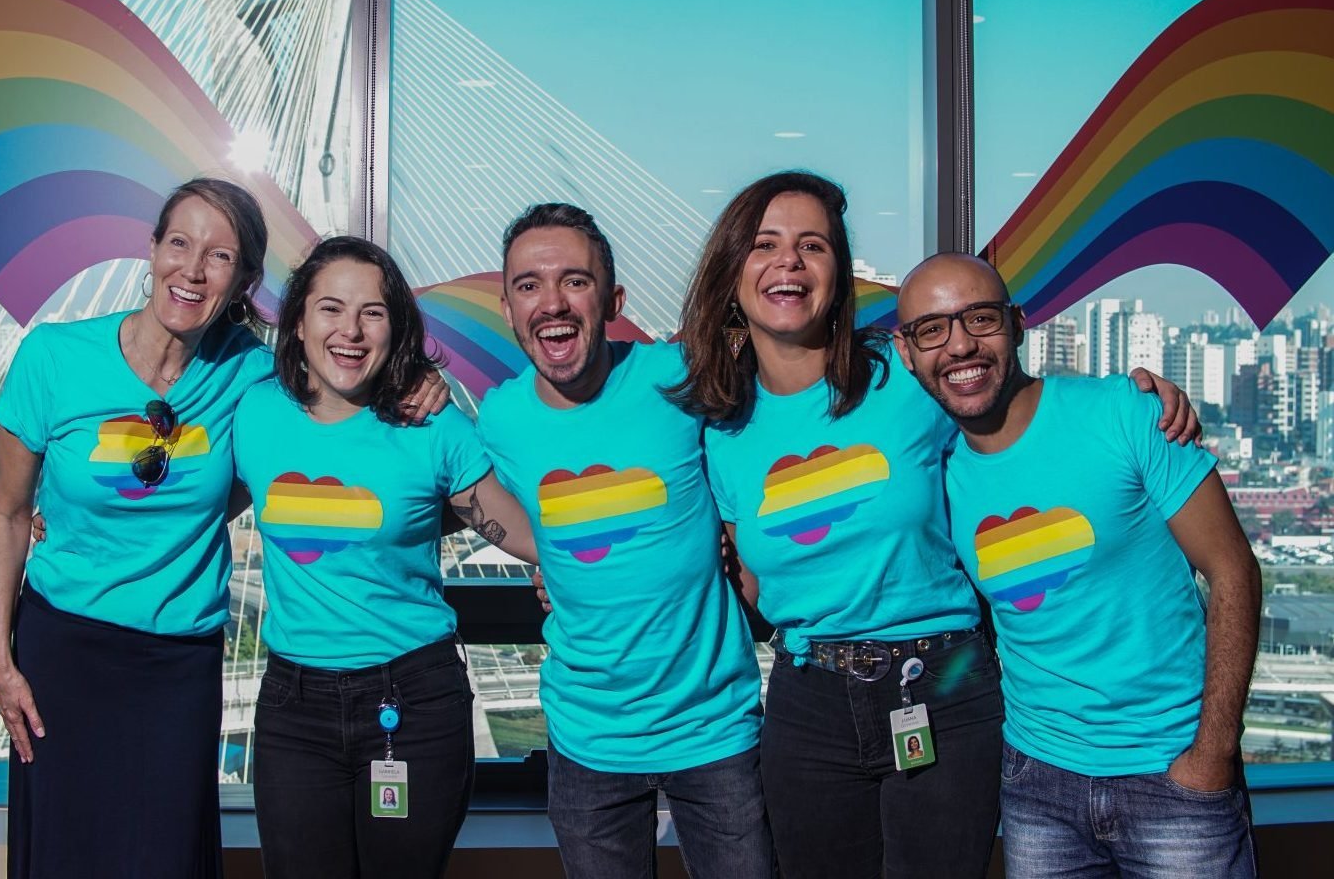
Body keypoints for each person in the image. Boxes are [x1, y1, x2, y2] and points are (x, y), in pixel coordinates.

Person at [670, 171, 1198, 879]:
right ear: (730, 270)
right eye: (764, 244)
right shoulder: (720, 425)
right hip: (808, 704)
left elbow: (1017, 411)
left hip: (943, 686)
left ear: (840, 272)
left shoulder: (907, 376)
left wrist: (1141, 396)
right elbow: (749, 576)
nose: (789, 262)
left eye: (812, 245)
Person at [893, 252, 1260, 878]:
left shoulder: (1126, 412)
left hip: (1173, 775)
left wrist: (1212, 756)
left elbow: (1234, 574)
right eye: (933, 329)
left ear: (1017, 323)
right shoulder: (936, 472)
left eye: (979, 319)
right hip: (1037, 785)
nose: (959, 345)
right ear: (907, 352)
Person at [0, 178, 274, 878]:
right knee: (65, 854)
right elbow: (9, 513)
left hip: (178, 666)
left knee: (166, 857)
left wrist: (417, 384)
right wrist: (0, 659)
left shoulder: (253, 376)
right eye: (179, 243)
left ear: (244, 281)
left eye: (220, 256)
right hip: (64, 655)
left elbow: (327, 420)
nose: (192, 269)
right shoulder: (54, 359)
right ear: (151, 250)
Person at [476, 204, 772, 879]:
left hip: (715, 730)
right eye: (528, 285)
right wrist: (547, 560)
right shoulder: (498, 417)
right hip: (587, 744)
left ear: (612, 300)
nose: (551, 302)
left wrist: (729, 538)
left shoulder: (679, 378)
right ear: (507, 306)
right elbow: (455, 490)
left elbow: (764, 425)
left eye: (574, 281)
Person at [234, 236, 535, 879]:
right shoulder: (254, 414)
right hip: (294, 707)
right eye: (331, 309)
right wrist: (50, 518)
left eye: (372, 312)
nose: (350, 330)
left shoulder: (432, 426)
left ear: (394, 327)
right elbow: (183, 499)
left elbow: (525, 534)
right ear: (298, 322)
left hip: (414, 701)